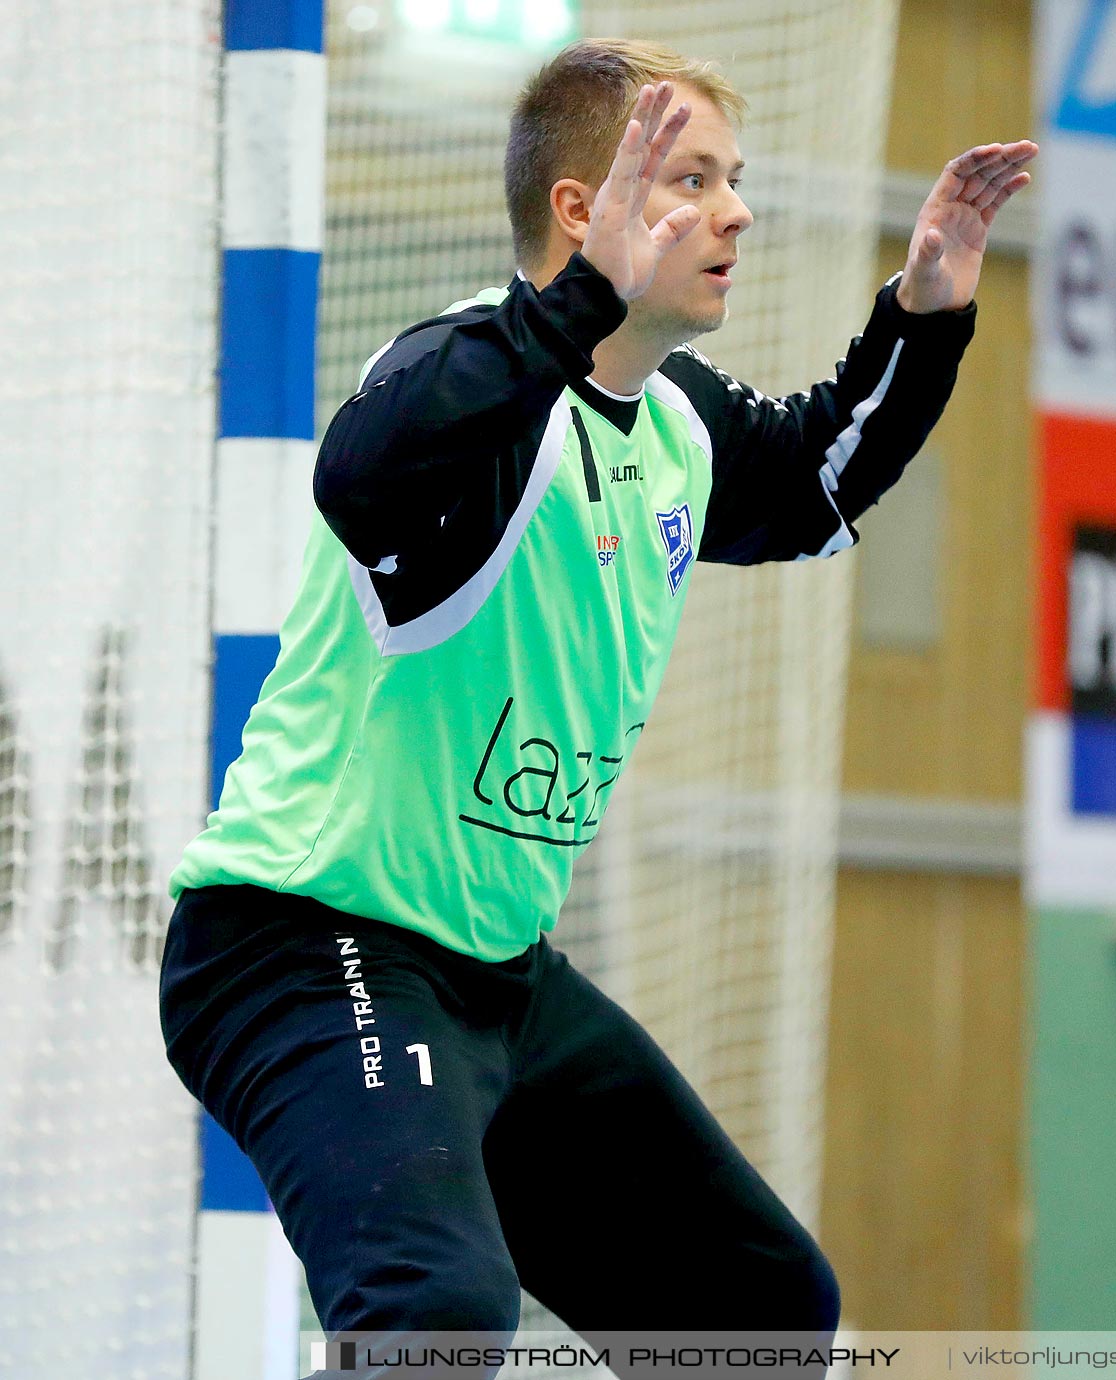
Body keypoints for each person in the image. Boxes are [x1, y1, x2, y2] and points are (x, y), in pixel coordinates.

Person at [158, 37, 1034, 1376]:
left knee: (755, 1306)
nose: (736, 211)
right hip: (302, 944)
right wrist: (570, 308)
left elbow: (812, 484)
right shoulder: (473, 392)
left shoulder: (674, 424)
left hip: (493, 975)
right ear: (587, 210)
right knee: (437, 1315)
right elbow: (366, 467)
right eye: (694, 180)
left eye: (735, 180)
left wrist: (926, 313)